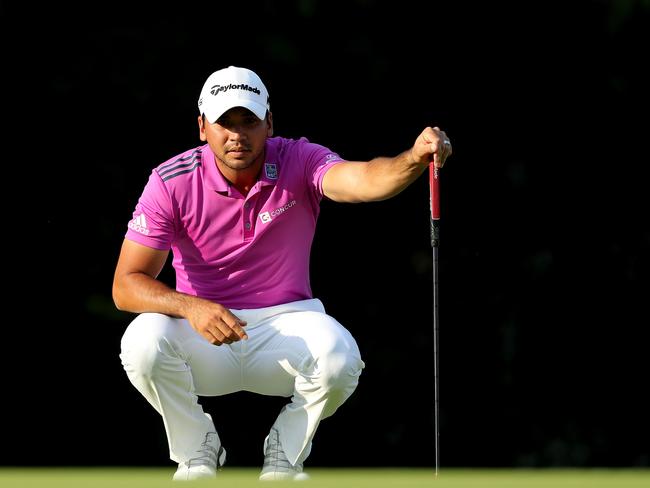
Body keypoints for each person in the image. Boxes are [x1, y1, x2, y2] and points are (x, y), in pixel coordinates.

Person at [113, 65, 452, 481]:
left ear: (269, 123)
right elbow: (126, 285)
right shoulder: (170, 181)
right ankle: (196, 449)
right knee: (142, 342)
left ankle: (284, 456)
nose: (237, 134)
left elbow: (363, 180)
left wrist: (413, 158)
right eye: (224, 122)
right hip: (202, 333)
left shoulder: (299, 158)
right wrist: (192, 307)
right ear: (203, 127)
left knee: (340, 357)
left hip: (286, 328)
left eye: (249, 121)